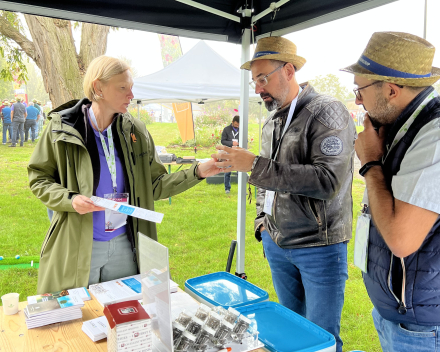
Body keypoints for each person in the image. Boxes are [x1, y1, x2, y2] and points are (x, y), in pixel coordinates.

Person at [28, 56, 221, 294]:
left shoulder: (136, 131)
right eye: (123, 88)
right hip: (79, 244)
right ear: (98, 88)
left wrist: (198, 172)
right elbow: (39, 178)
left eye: (131, 88)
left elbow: (155, 185)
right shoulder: (62, 128)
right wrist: (70, 200)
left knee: (124, 314)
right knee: (78, 317)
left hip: (125, 244)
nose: (131, 95)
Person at [212, 36, 356, 352]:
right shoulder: (272, 122)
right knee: (292, 332)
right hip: (278, 244)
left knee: (321, 338)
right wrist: (263, 223)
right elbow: (265, 183)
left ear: (289, 70)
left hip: (319, 246)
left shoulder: (327, 112)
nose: (258, 88)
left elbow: (328, 181)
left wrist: (254, 164)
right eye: (254, 81)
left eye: (264, 78)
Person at [340, 32, 440, 352]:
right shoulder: (404, 125)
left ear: (391, 90)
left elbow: (401, 239)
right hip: (403, 316)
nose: (357, 100)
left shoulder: (434, 135)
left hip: (422, 327)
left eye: (360, 90)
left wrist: (370, 163)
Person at [220, 115, 239, 194]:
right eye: (235, 125)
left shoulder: (242, 129)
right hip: (229, 152)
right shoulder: (226, 129)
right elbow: (223, 141)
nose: (237, 126)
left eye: (238, 125)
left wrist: (239, 144)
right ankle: (227, 188)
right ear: (232, 122)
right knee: (228, 170)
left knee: (240, 171)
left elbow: (246, 140)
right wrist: (232, 143)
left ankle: (242, 189)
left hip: (238, 152)